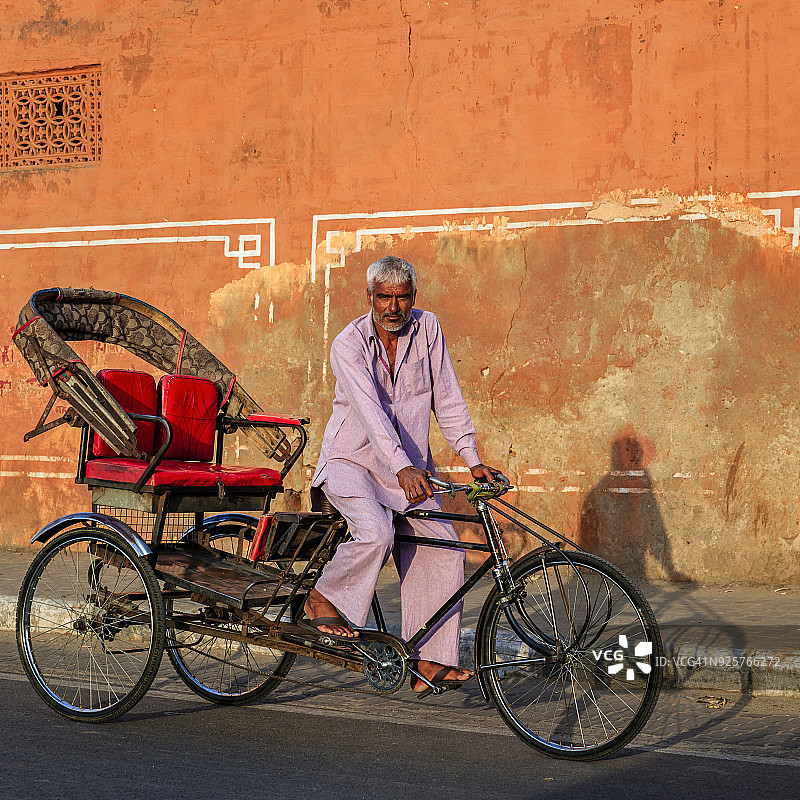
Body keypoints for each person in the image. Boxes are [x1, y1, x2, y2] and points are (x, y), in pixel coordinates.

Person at [307, 255, 499, 696]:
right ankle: (322, 597)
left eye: (402, 297)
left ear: (414, 296)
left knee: (445, 548)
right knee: (377, 534)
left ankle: (428, 659)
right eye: (384, 298)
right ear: (369, 297)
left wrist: (472, 459)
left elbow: (447, 398)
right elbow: (371, 414)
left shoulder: (428, 328)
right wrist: (401, 466)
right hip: (352, 462)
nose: (393, 307)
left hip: (407, 469)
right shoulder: (348, 344)